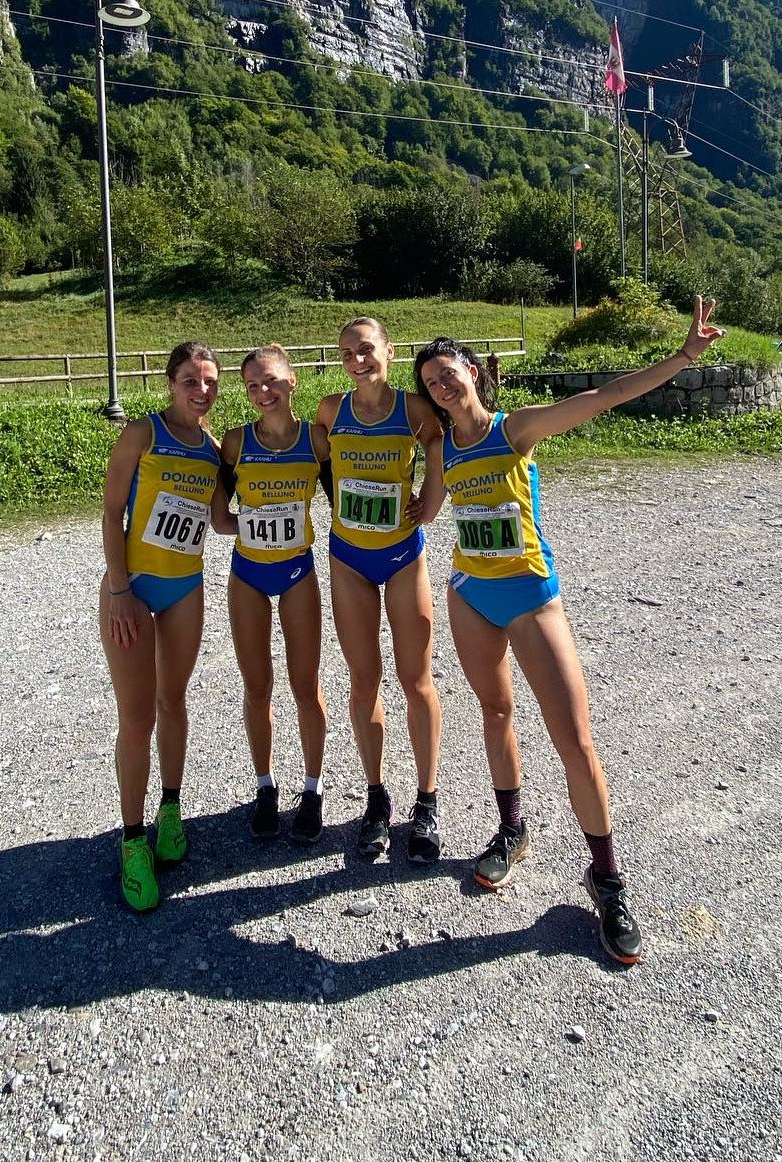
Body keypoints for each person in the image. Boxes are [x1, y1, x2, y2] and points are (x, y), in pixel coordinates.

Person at [413, 297, 724, 964]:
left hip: (530, 597)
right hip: (470, 595)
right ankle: (512, 830)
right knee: (496, 713)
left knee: (575, 742)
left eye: (448, 373)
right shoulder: (441, 448)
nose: (441, 386)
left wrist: (683, 356)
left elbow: (605, 396)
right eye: (430, 382)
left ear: (473, 372)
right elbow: (425, 511)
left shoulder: (515, 428)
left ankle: (606, 879)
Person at [100, 340, 233, 913]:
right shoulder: (141, 434)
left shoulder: (211, 450)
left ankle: (170, 811)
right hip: (132, 588)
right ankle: (132, 841)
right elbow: (112, 512)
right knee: (136, 718)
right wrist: (120, 590)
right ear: (170, 383)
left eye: (210, 382)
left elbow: (222, 521)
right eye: (191, 381)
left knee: (173, 701)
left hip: (185, 589)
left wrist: (280, 505)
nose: (202, 391)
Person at [315, 317, 445, 862]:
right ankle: (376, 797)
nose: (357, 360)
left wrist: (429, 501)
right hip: (349, 557)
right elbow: (313, 457)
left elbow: (438, 441)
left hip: (402, 556)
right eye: (348, 353)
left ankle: (427, 800)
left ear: (389, 352)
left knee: (416, 679)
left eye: (366, 349)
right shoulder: (330, 410)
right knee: (364, 678)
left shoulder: (413, 410)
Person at [220, 345, 331, 843]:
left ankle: (312, 789)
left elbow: (349, 493)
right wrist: (252, 522)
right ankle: (265, 786)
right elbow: (218, 515)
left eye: (271, 381)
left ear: (292, 381)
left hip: (297, 572)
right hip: (247, 573)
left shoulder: (317, 440)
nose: (262, 392)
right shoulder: (235, 442)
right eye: (252, 385)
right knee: (258, 686)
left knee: (306, 686)